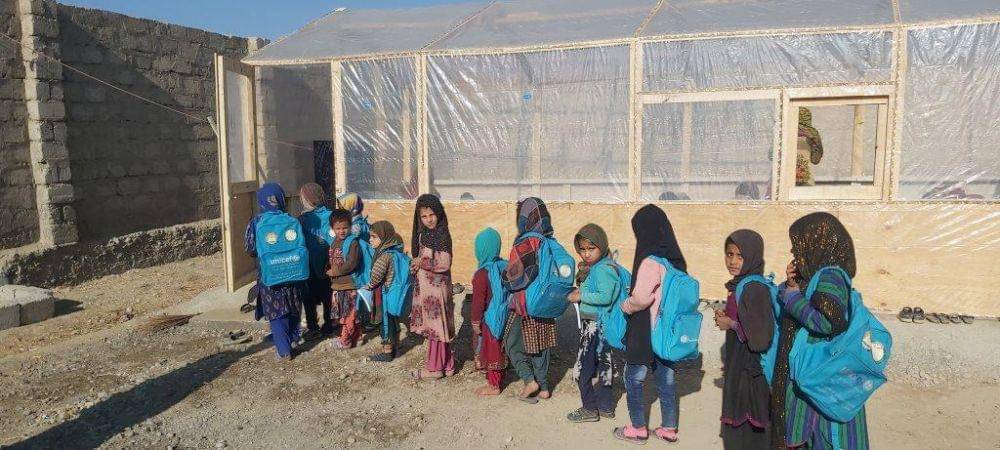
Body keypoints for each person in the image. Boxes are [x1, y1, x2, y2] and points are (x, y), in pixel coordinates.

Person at [772, 212, 869, 450]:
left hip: (821, 377)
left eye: (798, 244)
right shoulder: (818, 276)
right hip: (814, 376)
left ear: (817, 243)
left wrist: (793, 297)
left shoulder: (831, 276)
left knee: (826, 437)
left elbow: (827, 322)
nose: (794, 251)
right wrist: (792, 285)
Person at [613, 204, 686, 444]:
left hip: (645, 330)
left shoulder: (649, 261)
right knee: (666, 380)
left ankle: (637, 428)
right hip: (667, 332)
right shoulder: (674, 260)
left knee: (634, 378)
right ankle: (669, 428)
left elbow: (642, 299)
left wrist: (625, 305)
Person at [715, 230, 775, 449]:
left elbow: (761, 337)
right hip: (739, 367)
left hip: (750, 371)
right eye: (729, 254)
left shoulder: (753, 288)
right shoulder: (739, 285)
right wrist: (729, 318)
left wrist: (731, 324)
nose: (733, 261)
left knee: (748, 431)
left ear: (752, 256)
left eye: (740, 256)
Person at [502, 197, 558, 403]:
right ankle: (544, 388)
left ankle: (528, 380)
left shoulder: (527, 242)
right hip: (547, 303)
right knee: (541, 345)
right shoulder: (551, 241)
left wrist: (504, 277)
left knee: (512, 342)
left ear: (525, 218)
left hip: (526, 304)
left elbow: (515, 277)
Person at [566, 223, 623, 422]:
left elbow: (605, 297)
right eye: (582, 249)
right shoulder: (599, 267)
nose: (586, 253)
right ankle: (606, 407)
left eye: (591, 248)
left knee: (582, 369)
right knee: (604, 367)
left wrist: (581, 296)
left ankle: (589, 408)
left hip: (595, 327)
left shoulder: (602, 269)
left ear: (602, 245)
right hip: (601, 326)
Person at [244, 182, 306, 361]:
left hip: (270, 276)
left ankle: (284, 351)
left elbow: (250, 249)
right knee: (293, 307)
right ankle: (292, 339)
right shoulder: (291, 220)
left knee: (276, 313)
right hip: (293, 273)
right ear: (281, 200)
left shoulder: (256, 222)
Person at [409, 194, 457, 379]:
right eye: (424, 216)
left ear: (439, 213)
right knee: (438, 327)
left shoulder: (442, 234)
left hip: (437, 292)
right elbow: (421, 258)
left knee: (436, 328)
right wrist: (415, 264)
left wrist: (421, 262)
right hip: (427, 291)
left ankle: (434, 368)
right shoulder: (424, 235)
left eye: (432, 215)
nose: (428, 220)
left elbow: (444, 263)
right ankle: (448, 365)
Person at [470, 227, 508, 396]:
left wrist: (475, 321)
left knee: (492, 351)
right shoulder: (505, 266)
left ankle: (493, 385)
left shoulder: (481, 274)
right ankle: (501, 374)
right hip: (506, 315)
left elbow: (478, 302)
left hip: (490, 320)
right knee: (501, 349)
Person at [297, 183, 335, 340]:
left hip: (308, 266)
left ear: (305, 200)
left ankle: (313, 327)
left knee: (308, 297)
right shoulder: (331, 215)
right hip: (328, 264)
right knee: (327, 295)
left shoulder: (301, 220)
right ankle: (329, 324)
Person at [337, 192, 376, 332]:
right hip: (359, 262)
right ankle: (362, 319)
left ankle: (363, 321)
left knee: (360, 291)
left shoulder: (356, 226)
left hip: (360, 264)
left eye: (342, 207)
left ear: (351, 208)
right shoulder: (357, 222)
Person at [327, 208, 362, 349]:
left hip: (349, 285)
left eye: (345, 228)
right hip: (338, 285)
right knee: (345, 314)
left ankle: (345, 341)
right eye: (338, 228)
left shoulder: (352, 242)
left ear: (350, 226)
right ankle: (356, 336)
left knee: (348, 315)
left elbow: (352, 263)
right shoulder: (334, 242)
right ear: (332, 228)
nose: (342, 231)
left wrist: (335, 271)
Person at [796, 108, 824, 186]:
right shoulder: (813, 134)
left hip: (784, 180)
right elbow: (815, 160)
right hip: (804, 179)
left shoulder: (784, 131)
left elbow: (771, 156)